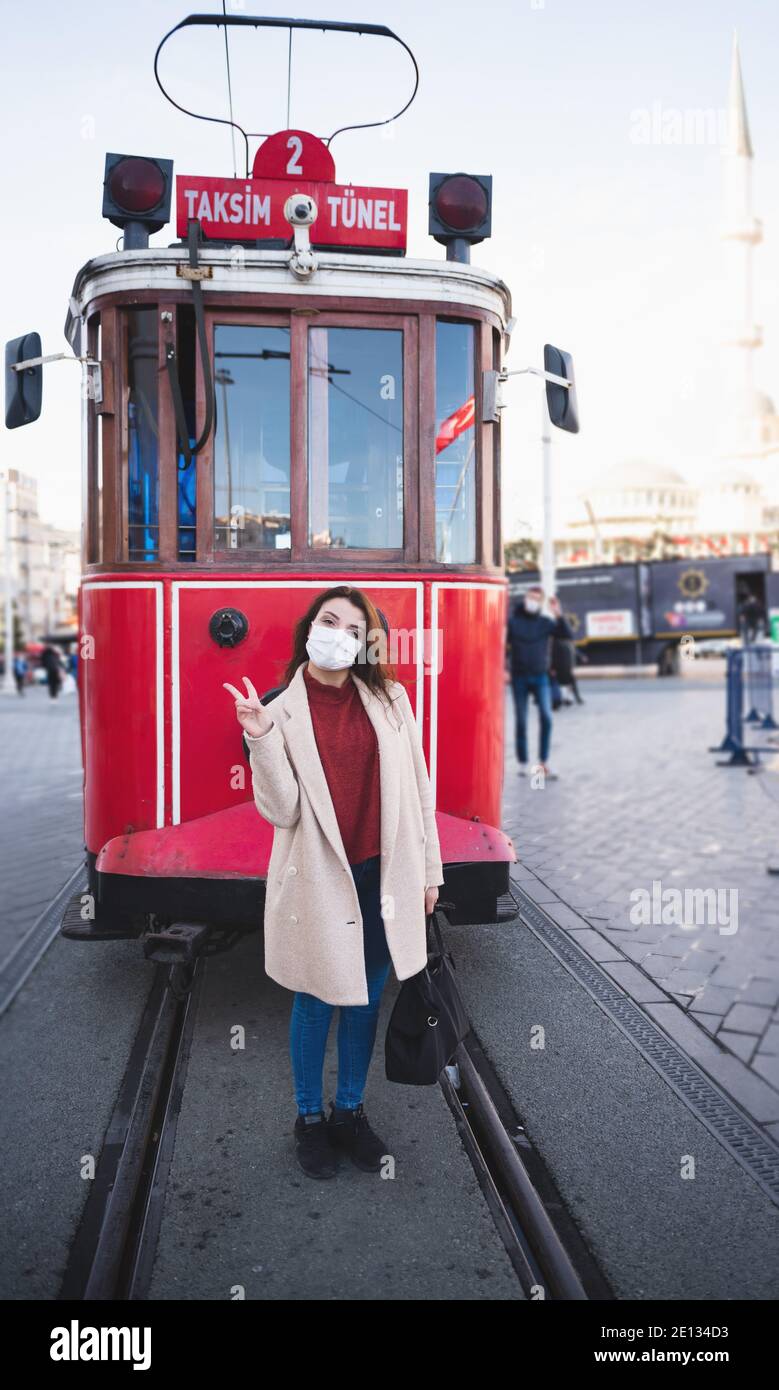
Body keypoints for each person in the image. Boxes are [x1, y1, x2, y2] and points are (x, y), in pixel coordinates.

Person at [223, 586, 445, 1181]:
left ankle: (349, 1112)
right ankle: (309, 1118)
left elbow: (421, 792)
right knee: (317, 997)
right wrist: (260, 736)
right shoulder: (280, 708)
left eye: (354, 629)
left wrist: (430, 872)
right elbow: (282, 811)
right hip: (320, 879)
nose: (339, 635)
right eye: (330, 621)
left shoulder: (391, 698)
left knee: (368, 996)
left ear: (366, 642)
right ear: (309, 628)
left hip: (383, 874)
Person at [505, 584, 574, 777]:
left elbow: (567, 635)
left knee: (546, 716)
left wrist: (559, 614)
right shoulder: (513, 622)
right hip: (518, 677)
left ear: (540, 602)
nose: (532, 601)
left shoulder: (545, 623)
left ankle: (543, 761)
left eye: (536, 599)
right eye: (530, 597)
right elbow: (503, 646)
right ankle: (522, 762)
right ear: (525, 598)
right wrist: (504, 669)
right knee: (521, 720)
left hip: (540, 676)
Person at [550, 630, 584, 707]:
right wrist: (552, 668)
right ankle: (563, 699)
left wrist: (581, 657)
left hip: (567, 667)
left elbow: (575, 652)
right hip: (560, 667)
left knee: (570, 682)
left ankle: (570, 698)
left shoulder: (568, 643)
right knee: (560, 683)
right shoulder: (557, 643)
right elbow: (553, 656)